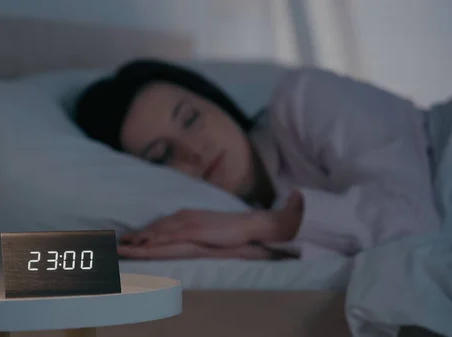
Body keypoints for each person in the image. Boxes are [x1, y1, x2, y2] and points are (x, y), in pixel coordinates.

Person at [74, 59, 442, 260]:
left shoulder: (304, 97)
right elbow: (23, 268)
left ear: (215, 101)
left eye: (191, 118)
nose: (194, 150)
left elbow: (412, 221)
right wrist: (238, 247)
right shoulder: (226, 216)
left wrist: (259, 227)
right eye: (164, 155)